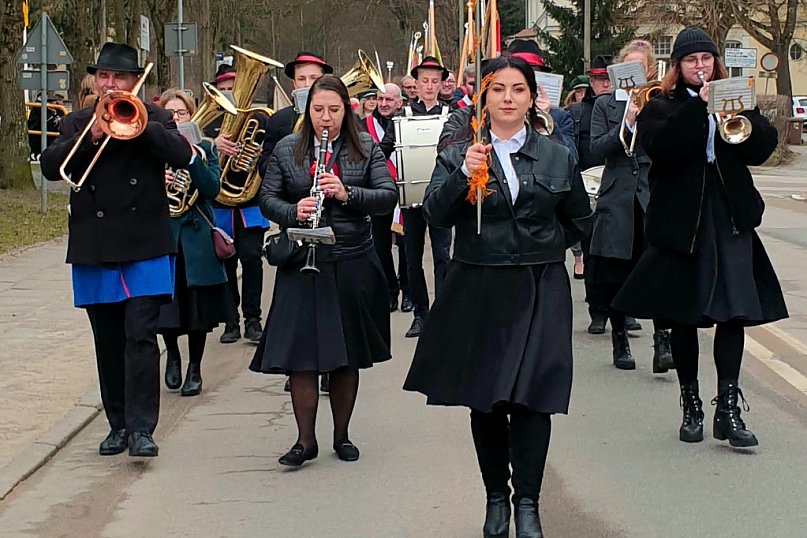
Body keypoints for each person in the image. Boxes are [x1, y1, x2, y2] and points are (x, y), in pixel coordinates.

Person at [404, 53, 591, 538]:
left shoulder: (556, 155)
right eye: (499, 90)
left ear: (531, 99)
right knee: (486, 400)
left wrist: (563, 250)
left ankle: (528, 503)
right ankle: (496, 499)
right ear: (483, 99)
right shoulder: (459, 152)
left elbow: (577, 216)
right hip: (480, 285)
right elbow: (437, 217)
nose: (508, 98)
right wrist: (464, 175)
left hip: (539, 285)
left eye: (518, 90)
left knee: (535, 400)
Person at [613, 27, 787, 447]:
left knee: (735, 313)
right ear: (678, 67)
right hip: (682, 222)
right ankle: (691, 404)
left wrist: (743, 114)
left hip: (728, 217)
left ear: (715, 62)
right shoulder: (661, 105)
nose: (700, 67)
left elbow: (759, 149)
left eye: (706, 60)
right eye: (691, 61)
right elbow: (666, 148)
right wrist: (700, 110)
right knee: (685, 317)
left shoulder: (734, 97)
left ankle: (727, 408)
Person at [40, 42, 193, 457]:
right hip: (95, 245)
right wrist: (92, 134)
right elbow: (53, 166)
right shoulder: (76, 121)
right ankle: (118, 424)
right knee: (107, 340)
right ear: (94, 80)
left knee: (141, 335)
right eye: (104, 76)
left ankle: (143, 429)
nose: (110, 84)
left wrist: (143, 128)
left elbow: (183, 155)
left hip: (144, 244)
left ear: (134, 82)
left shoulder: (155, 117)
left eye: (120, 77)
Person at [251, 74, 397, 466]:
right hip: (302, 260)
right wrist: (291, 209)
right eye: (318, 110)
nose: (325, 118)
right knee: (302, 356)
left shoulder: (365, 147)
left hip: (350, 260)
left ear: (346, 110)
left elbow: (387, 197)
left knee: (345, 354)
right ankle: (304, 441)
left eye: (333, 110)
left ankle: (342, 435)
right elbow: (266, 198)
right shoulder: (286, 149)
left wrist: (346, 193)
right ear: (307, 111)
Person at [589, 40, 673, 372]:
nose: (635, 73)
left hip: (651, 194)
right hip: (617, 194)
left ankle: (663, 340)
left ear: (650, 70)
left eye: (641, 67)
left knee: (658, 270)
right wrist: (626, 123)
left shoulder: (660, 101)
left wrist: (649, 118)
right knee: (615, 273)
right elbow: (596, 149)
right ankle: (620, 339)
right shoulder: (605, 105)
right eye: (629, 66)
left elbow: (668, 147)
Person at [258, 50, 333, 394]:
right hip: (295, 217)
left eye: (313, 79)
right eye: (301, 79)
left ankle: (332, 363)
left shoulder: (340, 120)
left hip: (334, 223)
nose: (307, 85)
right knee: (298, 299)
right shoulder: (279, 121)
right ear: (292, 84)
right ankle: (298, 365)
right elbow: (265, 173)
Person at [157, 89, 229, 397]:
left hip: (197, 235)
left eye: (181, 113)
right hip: (165, 236)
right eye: (170, 114)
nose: (176, 118)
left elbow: (212, 188)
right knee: (166, 307)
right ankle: (172, 354)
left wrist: (191, 160)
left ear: (192, 116)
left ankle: (195, 368)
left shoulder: (206, 148)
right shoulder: (154, 149)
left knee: (198, 310)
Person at [567, 55, 640, 335]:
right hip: (588, 182)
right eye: (598, 80)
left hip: (624, 185)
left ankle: (627, 309)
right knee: (594, 252)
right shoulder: (583, 109)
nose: (603, 84)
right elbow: (582, 146)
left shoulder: (644, 103)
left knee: (629, 253)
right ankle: (598, 310)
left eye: (607, 79)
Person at [203, 63, 270, 346]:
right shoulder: (208, 125)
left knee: (252, 260)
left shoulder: (259, 119)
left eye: (235, 89)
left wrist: (252, 152)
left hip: (250, 204)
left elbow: (267, 158)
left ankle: (252, 319)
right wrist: (213, 146)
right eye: (225, 90)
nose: (231, 94)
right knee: (225, 263)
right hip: (220, 206)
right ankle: (230, 321)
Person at [389, 56, 455, 338]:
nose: (429, 86)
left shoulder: (453, 115)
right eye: (424, 81)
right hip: (411, 197)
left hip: (441, 198)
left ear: (442, 84)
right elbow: (382, 152)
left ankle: (442, 313)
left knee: (442, 255)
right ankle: (420, 313)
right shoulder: (402, 116)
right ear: (415, 84)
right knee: (411, 256)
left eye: (434, 81)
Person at [361, 83, 412, 312]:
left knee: (405, 245)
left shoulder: (408, 123)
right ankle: (390, 290)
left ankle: (408, 291)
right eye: (380, 99)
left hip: (404, 189)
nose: (383, 104)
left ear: (399, 102)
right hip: (378, 192)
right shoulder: (363, 126)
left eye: (389, 100)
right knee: (380, 246)